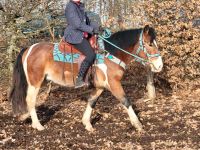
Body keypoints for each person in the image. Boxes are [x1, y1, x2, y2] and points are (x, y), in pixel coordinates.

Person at [64, 0, 100, 88]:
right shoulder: (71, 6)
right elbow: (77, 24)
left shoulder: (79, 6)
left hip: (82, 35)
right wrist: (92, 30)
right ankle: (79, 79)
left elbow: (87, 22)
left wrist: (98, 27)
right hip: (74, 35)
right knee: (91, 55)